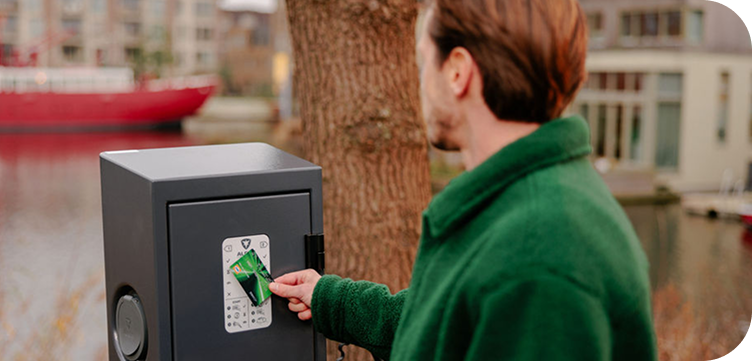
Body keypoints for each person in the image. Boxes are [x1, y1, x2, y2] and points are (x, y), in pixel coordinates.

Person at [269, 0, 658, 360]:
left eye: (424, 61)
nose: (421, 84)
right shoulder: (518, 203)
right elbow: (447, 323)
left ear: (457, 71)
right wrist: (330, 300)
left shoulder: (540, 255)